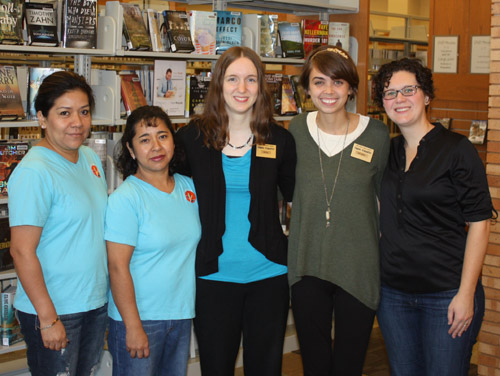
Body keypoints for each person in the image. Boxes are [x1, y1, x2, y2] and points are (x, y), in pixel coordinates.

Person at [177, 46, 296, 376]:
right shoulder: (191, 138)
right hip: (212, 277)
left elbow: (298, 198)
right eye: (233, 79)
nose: (242, 89)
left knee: (266, 369)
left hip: (269, 275)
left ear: (261, 86)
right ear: (218, 83)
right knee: (216, 368)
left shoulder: (279, 140)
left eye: (250, 79)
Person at [372, 58, 494, 376]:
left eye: (408, 90)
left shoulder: (457, 149)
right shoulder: (387, 151)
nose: (399, 99)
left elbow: (480, 224)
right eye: (390, 93)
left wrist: (466, 294)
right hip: (393, 295)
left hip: (446, 294)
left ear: (426, 95)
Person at [287, 45, 390, 376]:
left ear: (351, 88)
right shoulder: (296, 131)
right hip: (307, 265)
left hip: (358, 267)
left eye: (338, 82)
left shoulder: (376, 134)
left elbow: (387, 201)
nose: (328, 91)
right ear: (306, 88)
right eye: (319, 82)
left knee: (349, 365)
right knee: (315, 365)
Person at [8, 71, 108, 376]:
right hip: (56, 308)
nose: (76, 122)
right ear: (42, 118)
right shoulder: (34, 171)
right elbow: (22, 251)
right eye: (64, 113)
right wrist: (48, 318)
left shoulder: (89, 156)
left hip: (93, 301)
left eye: (84, 112)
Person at [105, 106, 201, 376]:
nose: (156, 146)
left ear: (173, 140)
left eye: (162, 136)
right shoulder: (126, 199)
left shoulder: (188, 187)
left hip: (181, 314)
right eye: (145, 140)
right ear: (131, 149)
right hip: (140, 319)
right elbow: (117, 267)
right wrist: (133, 326)